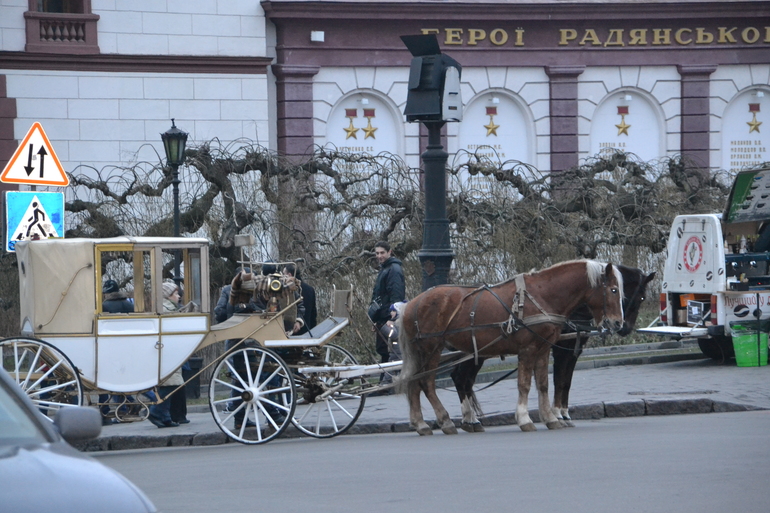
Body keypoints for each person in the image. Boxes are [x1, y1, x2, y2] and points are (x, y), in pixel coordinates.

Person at [148, 281, 185, 428]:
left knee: (171, 383)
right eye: (175, 294)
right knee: (170, 384)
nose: (179, 297)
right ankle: (156, 412)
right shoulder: (166, 310)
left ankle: (164, 416)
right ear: (168, 296)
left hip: (169, 350)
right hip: (167, 351)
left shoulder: (169, 308)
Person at [369, 241, 405, 391]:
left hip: (388, 318)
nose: (379, 256)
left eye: (382, 253)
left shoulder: (393, 269)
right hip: (381, 317)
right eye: (377, 253)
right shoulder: (385, 269)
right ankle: (387, 381)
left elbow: (396, 294)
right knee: (384, 349)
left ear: (389, 252)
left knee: (390, 350)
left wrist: (392, 318)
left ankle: (387, 382)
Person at [99, 279, 135, 424]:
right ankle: (129, 404)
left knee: (104, 379)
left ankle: (106, 411)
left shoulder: (105, 306)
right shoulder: (129, 304)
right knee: (121, 378)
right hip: (126, 345)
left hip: (109, 345)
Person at [282, 263, 317, 335]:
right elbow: (314, 314)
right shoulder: (310, 289)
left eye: (283, 274)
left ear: (289, 275)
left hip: (292, 332)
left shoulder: (288, 290)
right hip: (307, 332)